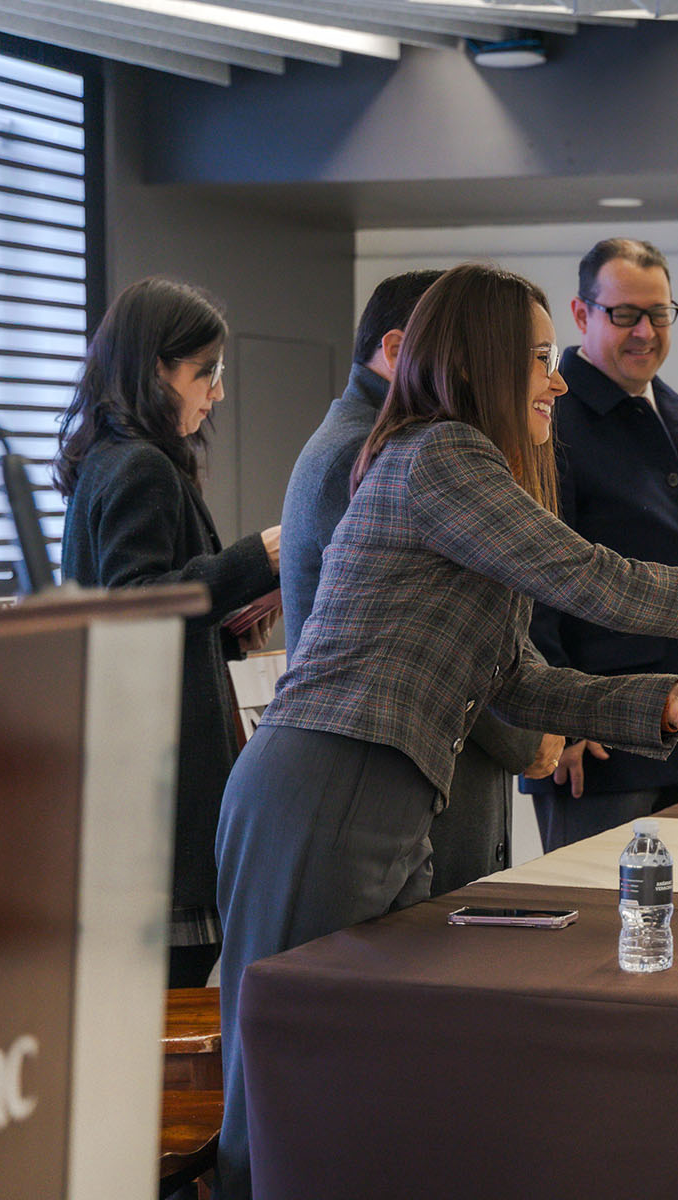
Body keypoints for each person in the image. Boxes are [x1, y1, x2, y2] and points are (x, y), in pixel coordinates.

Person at [213, 262, 678, 1200]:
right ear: (484, 363)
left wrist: (655, 700)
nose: (554, 381)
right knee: (294, 1077)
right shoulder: (440, 456)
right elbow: (601, 581)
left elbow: (510, 677)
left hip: (376, 788)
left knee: (365, 1072)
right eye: (540, 359)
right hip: (329, 783)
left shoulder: (457, 465)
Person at [281, 268, 550, 893]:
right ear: (404, 351)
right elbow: (427, 636)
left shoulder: (401, 442)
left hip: (416, 776)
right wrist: (529, 735)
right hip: (388, 785)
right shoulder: (374, 452)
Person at [54, 276, 281, 988]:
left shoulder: (112, 459)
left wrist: (231, 608)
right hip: (159, 772)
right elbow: (133, 602)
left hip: (136, 769)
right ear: (157, 369)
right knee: (165, 988)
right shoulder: (142, 465)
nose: (215, 393)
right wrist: (256, 558)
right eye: (203, 373)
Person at [527, 238, 678, 849]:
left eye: (658, 313)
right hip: (600, 741)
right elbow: (533, 584)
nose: (645, 331)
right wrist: (560, 722)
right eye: (625, 314)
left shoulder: (675, 411)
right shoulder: (551, 417)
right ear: (581, 315)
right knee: (605, 927)